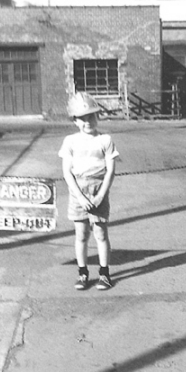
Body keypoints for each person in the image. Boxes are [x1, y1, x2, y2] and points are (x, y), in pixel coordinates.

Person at [58, 92, 119, 290]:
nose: (88, 122)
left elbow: (111, 170)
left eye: (91, 116)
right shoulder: (70, 141)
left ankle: (104, 274)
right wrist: (80, 196)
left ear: (98, 116)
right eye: (82, 118)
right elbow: (67, 173)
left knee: (100, 234)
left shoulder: (105, 140)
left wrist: (101, 195)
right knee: (81, 235)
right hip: (78, 192)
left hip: (98, 189)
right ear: (75, 121)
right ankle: (83, 273)